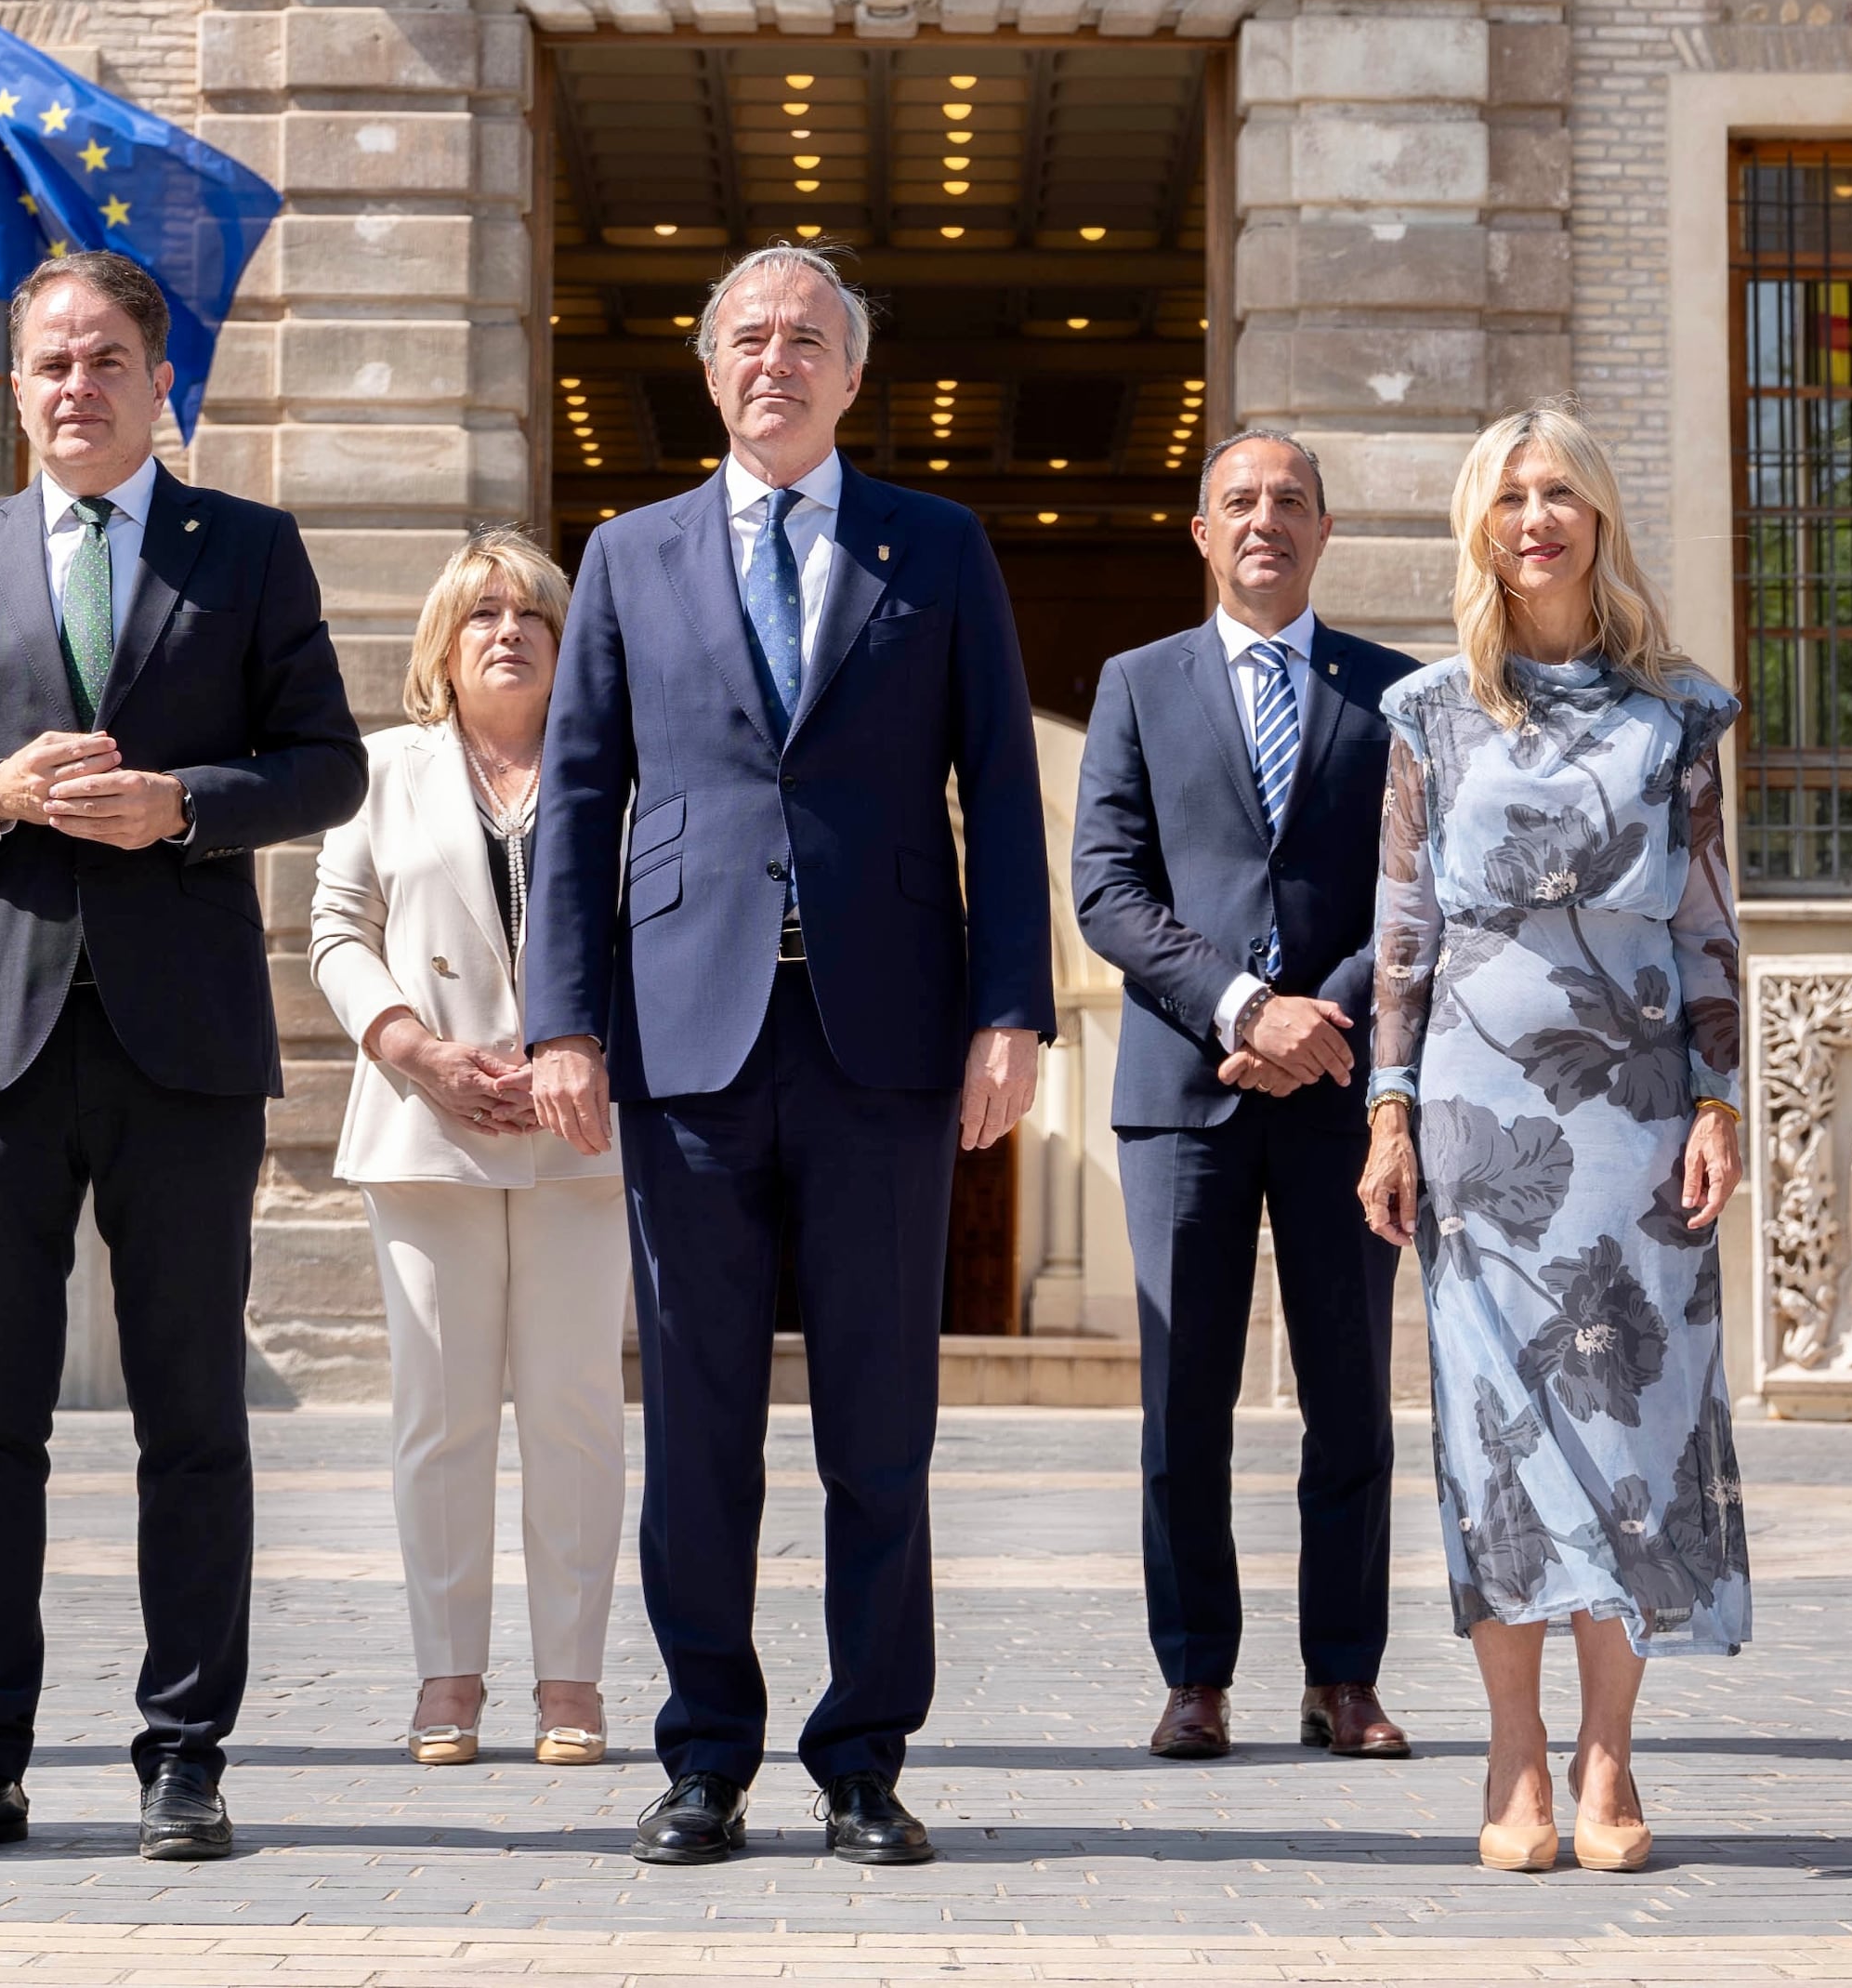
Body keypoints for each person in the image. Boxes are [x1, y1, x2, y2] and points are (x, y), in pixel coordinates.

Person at [522, 244, 1053, 1871]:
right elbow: (582, 800)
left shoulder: (939, 548)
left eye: (807, 338)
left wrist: (1011, 1007)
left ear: (852, 371)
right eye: (750, 336)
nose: (778, 359)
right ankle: (703, 1754)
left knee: (879, 1423)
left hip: (882, 1043)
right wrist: (562, 1019)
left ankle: (865, 1755)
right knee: (695, 1425)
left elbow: (1000, 790)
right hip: (688, 1041)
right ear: (709, 369)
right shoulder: (627, 554)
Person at [0, 250, 367, 1865]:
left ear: (161, 384)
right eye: (50, 362)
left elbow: (327, 764)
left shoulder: (249, 552)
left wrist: (183, 805)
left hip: (185, 1041)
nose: (77, 385)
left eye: (107, 360)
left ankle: (185, 1752)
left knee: (193, 1414)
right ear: (18, 388)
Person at [1354, 406, 1749, 1877]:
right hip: (1475, 1112)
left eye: (1561, 491)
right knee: (1499, 1432)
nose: (1537, 516)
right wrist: (1388, 1109)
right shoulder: (1428, 712)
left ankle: (1609, 1757)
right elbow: (1403, 926)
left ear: (1598, 517)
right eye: (1511, 495)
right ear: (1481, 524)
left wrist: (1719, 1104)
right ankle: (1512, 1756)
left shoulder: (1681, 713)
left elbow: (1709, 923)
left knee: (1633, 1422)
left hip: (1636, 1116)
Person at [1072, 432, 1421, 1765]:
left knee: (1351, 1404)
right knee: (1184, 1405)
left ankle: (1346, 1676)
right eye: (1239, 502)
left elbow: (1412, 883)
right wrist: (1240, 1005)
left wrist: (1316, 1015)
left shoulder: (1393, 692)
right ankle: (1195, 1673)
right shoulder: (1138, 685)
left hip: (1341, 1091)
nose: (1264, 519)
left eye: (1289, 500)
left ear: (1325, 530)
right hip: (1183, 1092)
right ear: (1202, 533)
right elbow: (1107, 887)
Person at [309, 528, 623, 1773]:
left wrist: (584, 1046)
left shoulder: (617, 773)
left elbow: (656, 926)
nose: (508, 631)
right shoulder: (382, 769)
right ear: (443, 645)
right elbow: (337, 928)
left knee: (575, 1411)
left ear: (568, 643)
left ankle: (572, 1677)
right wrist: (411, 1046)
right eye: (482, 614)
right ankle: (447, 1671)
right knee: (438, 1416)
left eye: (532, 615)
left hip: (577, 1134)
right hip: (422, 1125)